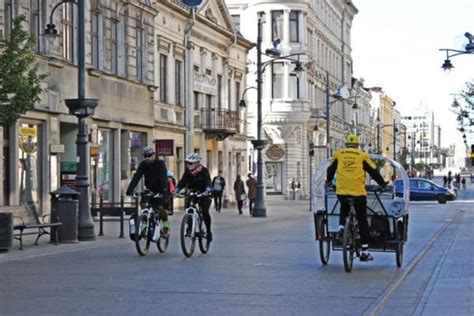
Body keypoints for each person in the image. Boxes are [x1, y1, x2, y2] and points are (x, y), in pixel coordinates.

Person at [326, 134, 387, 262]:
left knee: (344, 204)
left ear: (346, 144)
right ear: (357, 145)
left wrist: (329, 181)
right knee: (362, 220)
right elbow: (373, 171)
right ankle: (365, 252)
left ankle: (341, 228)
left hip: (342, 190)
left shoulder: (339, 154)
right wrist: (382, 183)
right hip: (358, 192)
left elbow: (330, 170)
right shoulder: (362, 155)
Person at [126, 146, 170, 235]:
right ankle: (145, 223)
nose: (147, 158)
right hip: (149, 188)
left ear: (154, 155)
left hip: (161, 189)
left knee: (161, 208)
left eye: (149, 156)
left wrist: (163, 190)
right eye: (145, 156)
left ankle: (166, 227)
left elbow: (163, 178)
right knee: (143, 204)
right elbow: (137, 176)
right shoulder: (143, 164)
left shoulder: (160, 164)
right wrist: (130, 190)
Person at [173, 153, 213, 241]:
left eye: (190, 163)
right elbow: (182, 182)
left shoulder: (204, 171)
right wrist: (177, 190)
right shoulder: (188, 172)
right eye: (188, 163)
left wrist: (208, 189)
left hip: (204, 193)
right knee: (189, 207)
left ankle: (209, 232)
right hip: (193, 192)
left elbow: (208, 181)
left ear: (197, 163)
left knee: (205, 212)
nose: (188, 165)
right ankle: (189, 228)